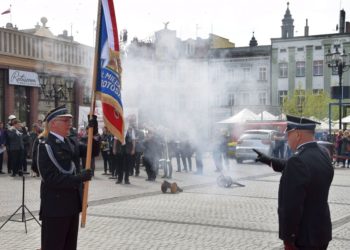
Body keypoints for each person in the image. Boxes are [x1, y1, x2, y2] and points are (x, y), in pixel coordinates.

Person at [254, 115, 334, 250]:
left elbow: (291, 207)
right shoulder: (322, 154)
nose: (287, 139)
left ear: (297, 134)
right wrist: (269, 160)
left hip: (303, 238)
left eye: (288, 134)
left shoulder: (298, 161)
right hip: (321, 231)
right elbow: (302, 168)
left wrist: (288, 239)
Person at [36, 105, 92, 250]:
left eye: (70, 120)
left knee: (69, 246)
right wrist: (79, 178)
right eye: (65, 120)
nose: (70, 124)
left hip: (72, 205)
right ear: (53, 123)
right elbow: (50, 178)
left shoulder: (70, 141)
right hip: (56, 208)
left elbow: (92, 151)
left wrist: (94, 132)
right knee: (53, 246)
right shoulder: (44, 145)